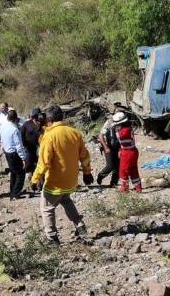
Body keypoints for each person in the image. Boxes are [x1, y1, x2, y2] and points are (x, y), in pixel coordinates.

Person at [31, 105, 93, 245]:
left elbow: (43, 162)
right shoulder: (75, 133)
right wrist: (87, 173)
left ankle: (52, 237)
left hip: (55, 181)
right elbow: (85, 156)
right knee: (66, 200)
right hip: (71, 180)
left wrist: (35, 179)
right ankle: (80, 225)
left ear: (48, 119)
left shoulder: (49, 136)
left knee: (46, 207)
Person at [0, 109, 27, 200]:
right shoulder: (15, 129)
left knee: (13, 173)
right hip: (14, 153)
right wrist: (23, 158)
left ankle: (12, 192)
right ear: (15, 119)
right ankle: (15, 194)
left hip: (7, 152)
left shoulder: (3, 126)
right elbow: (19, 145)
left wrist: (3, 148)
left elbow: (2, 139)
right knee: (20, 173)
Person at [112, 112, 142, 193]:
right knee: (133, 169)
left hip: (127, 152)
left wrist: (115, 130)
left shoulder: (124, 130)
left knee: (123, 170)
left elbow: (120, 138)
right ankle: (138, 187)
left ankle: (124, 188)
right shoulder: (128, 128)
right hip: (132, 151)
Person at [96, 113, 119, 187]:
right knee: (110, 166)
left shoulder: (123, 122)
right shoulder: (109, 122)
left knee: (117, 166)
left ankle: (113, 183)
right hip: (108, 146)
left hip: (118, 146)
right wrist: (105, 147)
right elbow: (100, 135)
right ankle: (101, 176)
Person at [20, 107, 42, 179]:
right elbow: (21, 134)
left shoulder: (41, 124)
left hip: (39, 147)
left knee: (39, 162)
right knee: (29, 161)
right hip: (29, 147)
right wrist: (24, 144)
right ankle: (28, 174)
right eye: (35, 116)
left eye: (38, 116)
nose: (36, 118)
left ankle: (38, 178)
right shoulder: (27, 124)